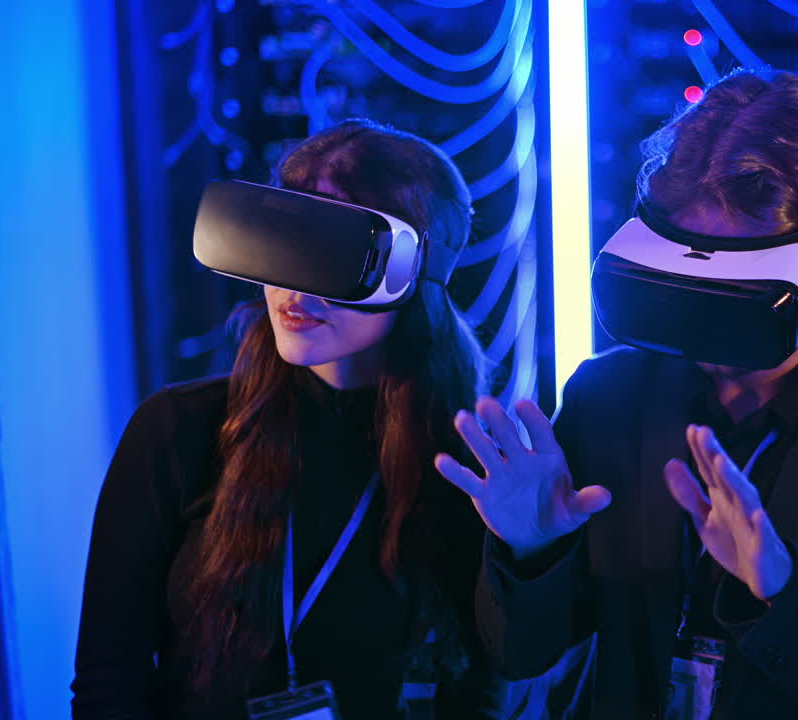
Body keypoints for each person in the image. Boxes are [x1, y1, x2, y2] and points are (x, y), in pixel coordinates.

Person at [436, 69, 798, 719]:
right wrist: (532, 550)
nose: (705, 316)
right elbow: (517, 653)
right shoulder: (607, 397)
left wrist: (783, 588)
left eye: (738, 287)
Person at [71, 120, 505, 719]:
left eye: (336, 252)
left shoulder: (465, 464)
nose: (294, 292)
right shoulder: (176, 431)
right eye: (286, 239)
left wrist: (534, 550)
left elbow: (480, 688)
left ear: (413, 276)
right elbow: (107, 681)